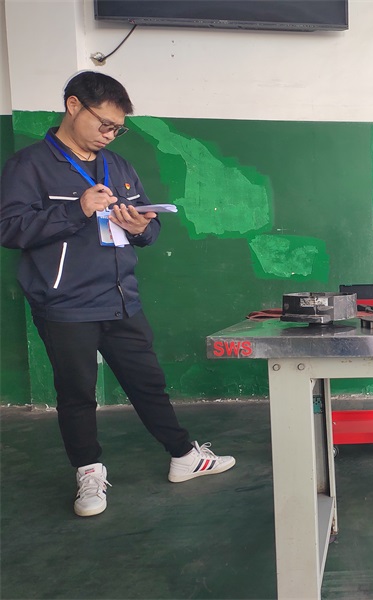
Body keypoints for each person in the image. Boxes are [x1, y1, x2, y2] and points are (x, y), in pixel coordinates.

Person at [0, 71, 235, 518]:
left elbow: (149, 226)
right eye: (104, 124)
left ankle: (184, 456)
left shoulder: (119, 166)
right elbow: (9, 229)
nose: (109, 134)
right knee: (77, 392)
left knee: (148, 382)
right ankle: (89, 472)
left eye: (117, 128)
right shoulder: (28, 165)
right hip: (65, 303)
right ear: (73, 106)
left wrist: (142, 227)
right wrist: (77, 210)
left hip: (121, 297)